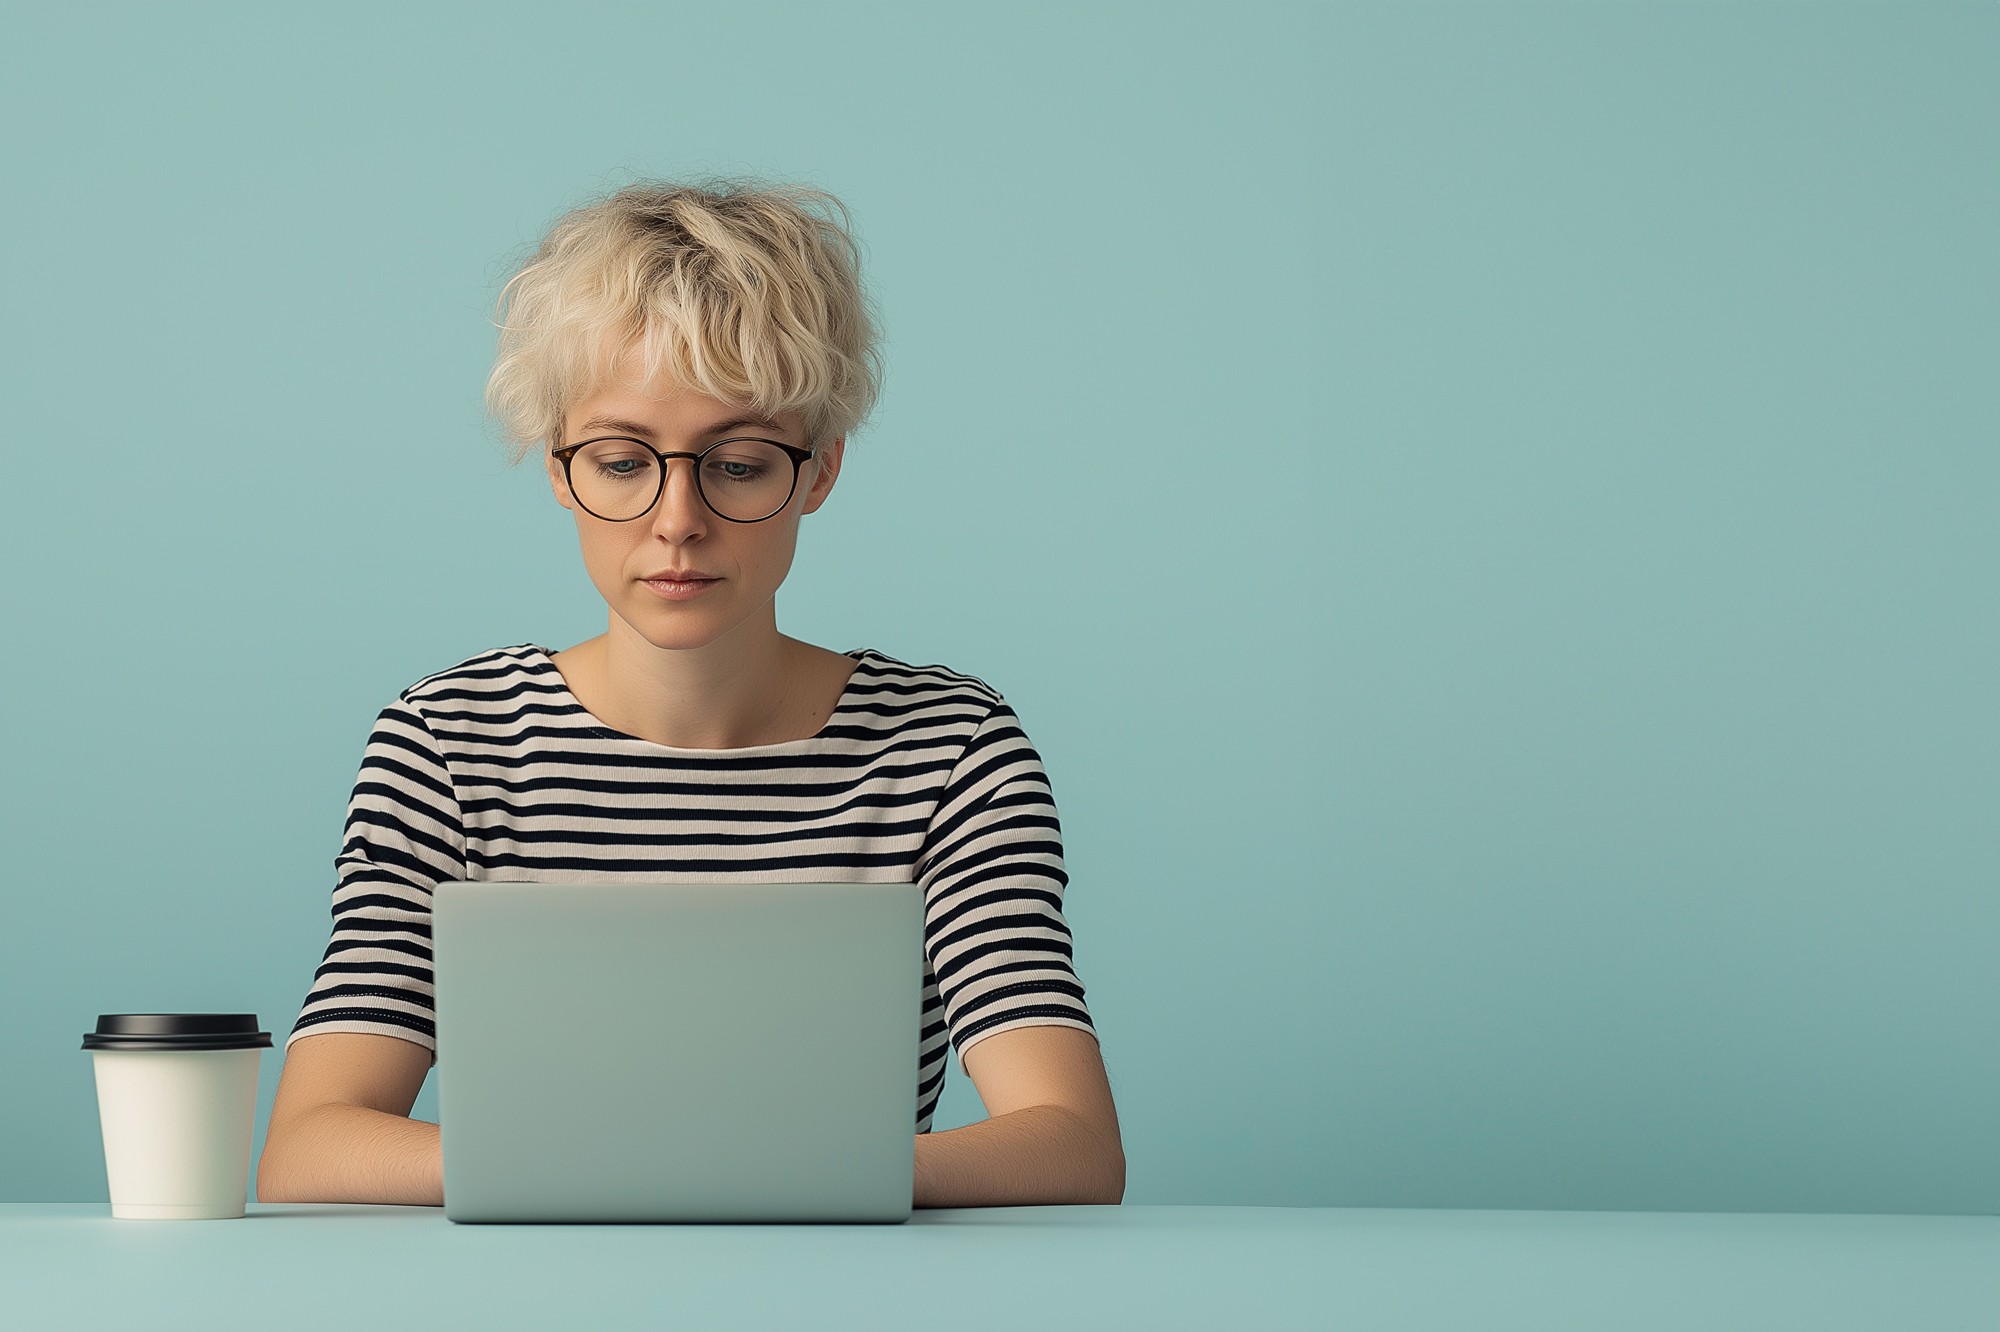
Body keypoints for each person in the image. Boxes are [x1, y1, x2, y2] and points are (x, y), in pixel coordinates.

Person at [254, 178, 1124, 1210]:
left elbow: (1070, 1145)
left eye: (740, 464)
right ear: (556, 467)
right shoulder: (449, 743)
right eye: (622, 462)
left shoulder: (949, 750)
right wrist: (660, 1174)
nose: (676, 520)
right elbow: (308, 1147)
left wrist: (735, 1177)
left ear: (819, 471)